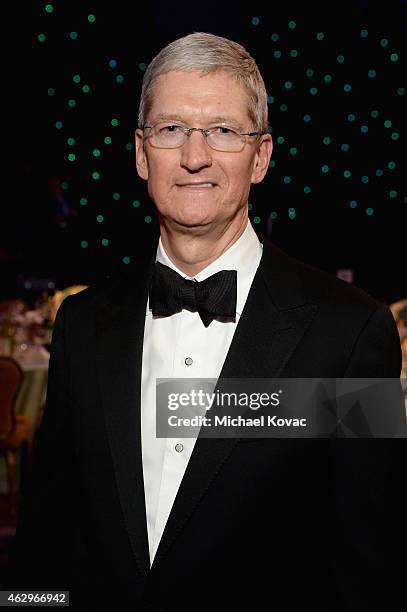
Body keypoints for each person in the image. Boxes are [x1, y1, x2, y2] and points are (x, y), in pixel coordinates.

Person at [7, 33, 405, 611]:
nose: (195, 156)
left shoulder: (353, 332)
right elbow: (44, 543)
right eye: (171, 129)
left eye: (222, 130)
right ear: (142, 154)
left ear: (261, 155)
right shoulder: (82, 323)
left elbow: (371, 565)